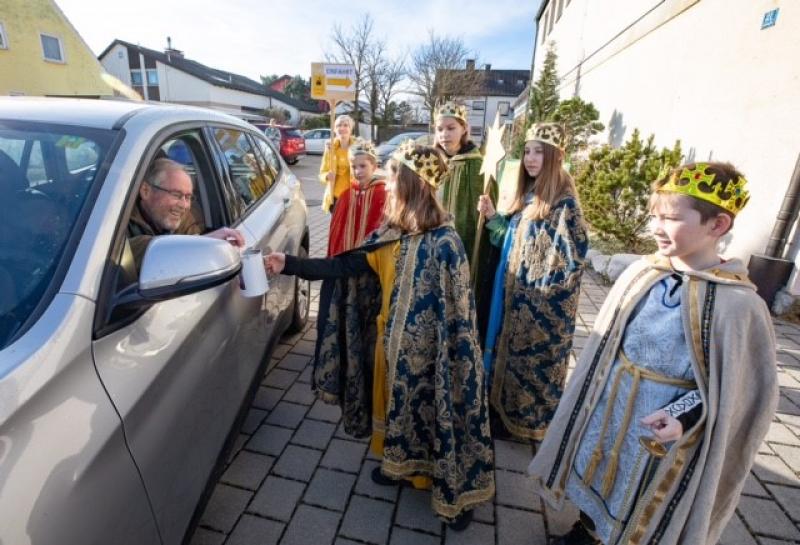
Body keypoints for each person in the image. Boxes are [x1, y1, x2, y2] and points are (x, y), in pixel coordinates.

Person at [527, 162, 778, 545]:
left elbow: (736, 394)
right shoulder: (643, 272)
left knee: (637, 490)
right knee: (598, 472)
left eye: (672, 218)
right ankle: (587, 531)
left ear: (718, 225)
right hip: (612, 403)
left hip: (660, 424)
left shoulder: (738, 306)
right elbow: (606, 344)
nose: (656, 228)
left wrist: (685, 415)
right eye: (654, 217)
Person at [265, 143, 494, 530]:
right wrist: (288, 263)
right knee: (389, 406)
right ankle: (397, 464)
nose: (387, 187)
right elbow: (347, 266)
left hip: (434, 358)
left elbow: (458, 318)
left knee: (433, 415)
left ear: (413, 186)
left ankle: (450, 484)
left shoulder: (446, 243)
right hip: (389, 348)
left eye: (393, 180)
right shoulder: (391, 232)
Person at [477, 123, 588, 442]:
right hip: (509, 293)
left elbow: (572, 260)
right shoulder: (529, 195)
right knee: (504, 355)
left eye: (539, 151)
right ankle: (499, 411)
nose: (530, 158)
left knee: (527, 365)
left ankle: (523, 425)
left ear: (556, 156)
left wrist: (538, 289)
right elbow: (509, 241)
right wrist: (493, 218)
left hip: (538, 305)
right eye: (527, 151)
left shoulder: (564, 204)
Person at [435, 101, 498, 340]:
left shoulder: (477, 166)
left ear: (464, 129)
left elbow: (487, 218)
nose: (444, 134)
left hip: (465, 250)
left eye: (451, 128)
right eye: (440, 129)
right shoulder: (433, 163)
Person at [128, 158, 244, 268]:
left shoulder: (188, 220)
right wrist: (201, 243)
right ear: (146, 191)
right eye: (176, 195)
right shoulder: (117, 220)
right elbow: (127, 254)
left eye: (188, 197)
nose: (184, 205)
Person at [326, 140, 387, 256]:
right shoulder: (346, 194)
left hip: (369, 257)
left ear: (374, 166)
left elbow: (383, 228)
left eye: (363, 166)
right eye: (353, 167)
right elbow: (337, 231)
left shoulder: (382, 193)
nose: (358, 171)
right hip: (346, 256)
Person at [319, 114, 356, 213]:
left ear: (350, 129)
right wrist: (326, 176)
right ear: (334, 130)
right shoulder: (330, 148)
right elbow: (322, 172)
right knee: (337, 227)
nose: (342, 128)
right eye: (338, 125)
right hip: (334, 197)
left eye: (345, 125)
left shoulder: (357, 148)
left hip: (353, 197)